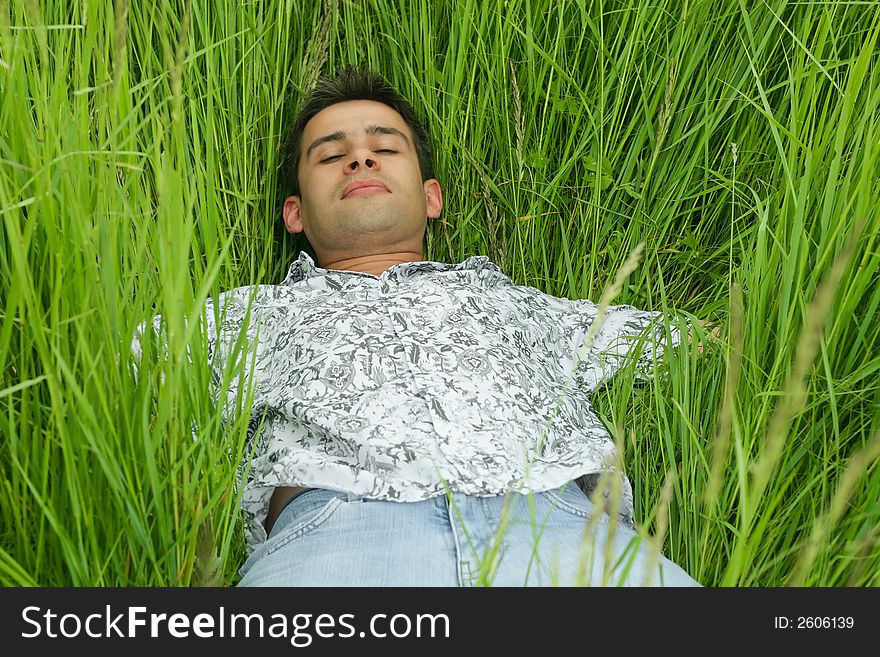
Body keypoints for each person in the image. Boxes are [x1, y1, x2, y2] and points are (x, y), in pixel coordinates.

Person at [140, 67, 703, 586]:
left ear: (431, 197)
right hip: (340, 543)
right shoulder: (246, 317)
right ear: (296, 213)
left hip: (563, 532)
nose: (361, 159)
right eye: (332, 156)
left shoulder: (519, 306)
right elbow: (111, 365)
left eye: (384, 147)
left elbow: (690, 342)